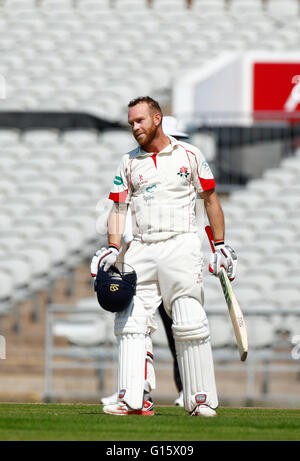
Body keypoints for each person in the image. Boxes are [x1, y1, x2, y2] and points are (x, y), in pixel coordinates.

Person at [91, 96, 237, 417]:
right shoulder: (128, 162)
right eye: (131, 123)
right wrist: (114, 248)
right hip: (142, 247)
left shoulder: (190, 155)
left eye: (140, 121)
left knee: (188, 319)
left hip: (181, 244)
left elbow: (211, 200)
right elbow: (118, 208)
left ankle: (199, 399)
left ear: (157, 119)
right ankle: (134, 399)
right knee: (130, 323)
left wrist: (221, 244)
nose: (135, 128)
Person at [100, 116, 188, 408]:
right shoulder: (136, 173)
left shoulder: (185, 185)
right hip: (144, 265)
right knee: (135, 328)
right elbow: (121, 224)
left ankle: (188, 391)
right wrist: (114, 253)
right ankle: (137, 391)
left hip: (175, 267)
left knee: (184, 329)